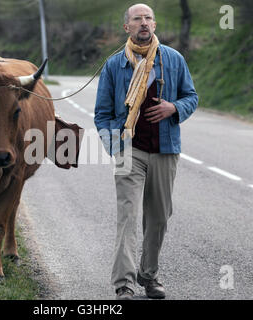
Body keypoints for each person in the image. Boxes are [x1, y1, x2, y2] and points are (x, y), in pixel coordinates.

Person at [94, 3, 198, 300]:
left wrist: (174, 107)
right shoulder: (115, 65)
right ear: (126, 27)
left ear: (155, 24)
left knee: (159, 217)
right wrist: (116, 147)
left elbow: (191, 96)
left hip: (166, 150)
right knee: (127, 216)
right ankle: (123, 284)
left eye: (148, 18)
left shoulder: (174, 60)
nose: (144, 23)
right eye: (137, 19)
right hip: (131, 150)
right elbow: (101, 114)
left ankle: (149, 276)